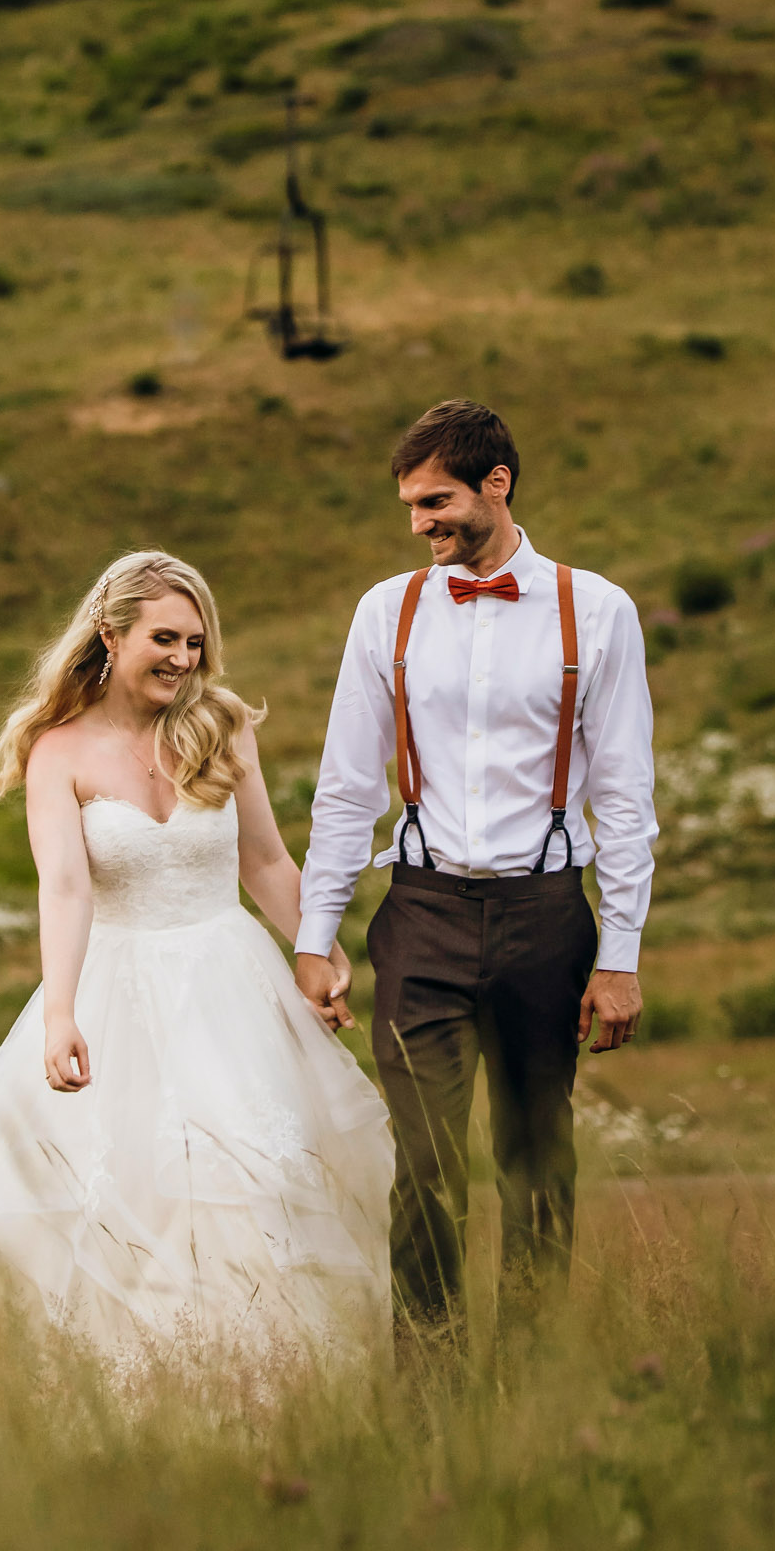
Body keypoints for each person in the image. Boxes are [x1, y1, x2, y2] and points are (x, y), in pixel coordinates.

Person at [0, 549, 393, 1400]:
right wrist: (60, 1015)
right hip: (118, 991)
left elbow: (264, 861)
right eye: (163, 639)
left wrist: (318, 951)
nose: (183, 660)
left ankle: (265, 1398)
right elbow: (67, 887)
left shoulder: (219, 725)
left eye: (195, 642)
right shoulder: (57, 750)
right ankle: (117, 1400)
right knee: (117, 1202)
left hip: (231, 989)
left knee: (251, 1187)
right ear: (110, 634)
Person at [294, 401, 657, 1319]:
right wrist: (314, 933)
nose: (418, 524)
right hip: (420, 917)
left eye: (434, 501)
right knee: (421, 1165)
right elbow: (346, 787)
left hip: (546, 916)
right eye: (411, 506)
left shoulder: (598, 610)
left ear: (496, 484)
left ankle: (528, 1393)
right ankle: (431, 1388)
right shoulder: (388, 611)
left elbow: (622, 796)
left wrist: (618, 956)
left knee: (537, 1160)